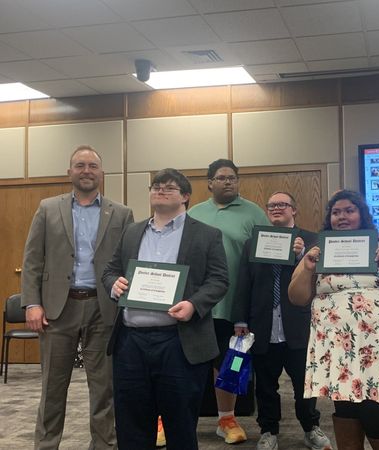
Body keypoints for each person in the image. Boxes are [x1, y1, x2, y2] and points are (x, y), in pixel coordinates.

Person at [102, 168, 228, 450]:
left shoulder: (207, 235)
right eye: (156, 186)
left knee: (181, 426)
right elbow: (110, 271)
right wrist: (114, 285)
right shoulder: (132, 232)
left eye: (169, 188)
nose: (160, 190)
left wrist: (194, 305)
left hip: (180, 342)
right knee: (131, 426)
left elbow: (219, 280)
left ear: (185, 196)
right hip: (131, 343)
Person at [288, 189, 379, 450]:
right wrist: (307, 269)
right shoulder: (319, 250)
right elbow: (297, 297)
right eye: (336, 212)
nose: (342, 216)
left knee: (377, 413)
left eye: (349, 210)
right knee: (345, 408)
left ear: (362, 214)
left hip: (377, 346)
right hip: (337, 347)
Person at [21, 145, 133, 450]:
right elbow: (33, 259)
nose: (87, 171)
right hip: (58, 309)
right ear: (70, 171)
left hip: (103, 309)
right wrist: (32, 303)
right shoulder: (47, 208)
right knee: (53, 388)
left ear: (102, 172)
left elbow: (127, 261)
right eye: (80, 165)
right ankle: (46, 445)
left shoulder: (121, 213)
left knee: (103, 389)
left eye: (93, 166)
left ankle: (104, 445)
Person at [233, 191, 332, 450]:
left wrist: (300, 257)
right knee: (265, 385)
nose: (277, 208)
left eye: (282, 205)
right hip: (263, 325)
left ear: (294, 210)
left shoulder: (311, 240)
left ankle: (311, 427)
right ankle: (268, 430)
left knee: (304, 384)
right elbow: (244, 283)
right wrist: (240, 319)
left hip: (299, 324)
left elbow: (320, 279)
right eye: (272, 205)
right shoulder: (254, 242)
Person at [187, 158, 269, 444]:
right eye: (221, 178)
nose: (228, 182)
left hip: (236, 306)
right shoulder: (194, 213)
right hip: (198, 305)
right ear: (209, 183)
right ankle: (170, 418)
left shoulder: (253, 213)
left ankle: (227, 419)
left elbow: (269, 254)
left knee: (230, 364)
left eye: (232, 177)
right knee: (189, 363)